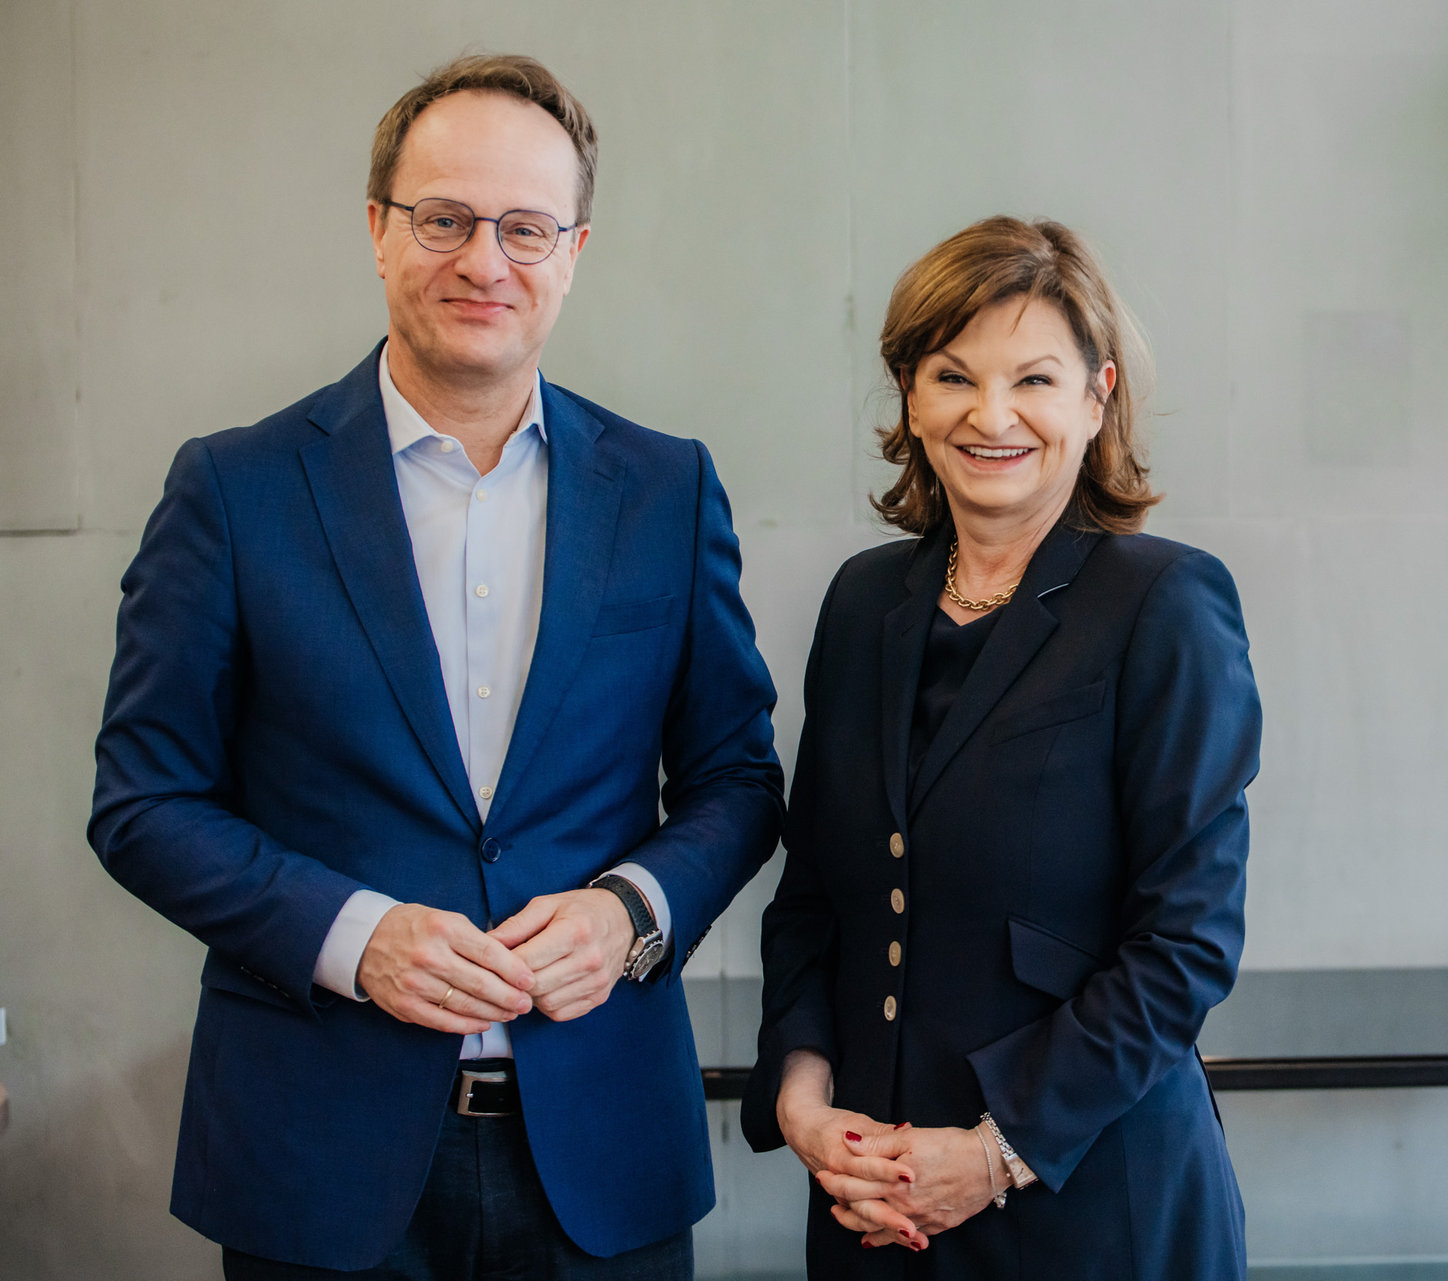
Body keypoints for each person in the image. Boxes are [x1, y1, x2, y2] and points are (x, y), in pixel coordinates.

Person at [88, 55, 782, 1280]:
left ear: (573, 249)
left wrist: (631, 912)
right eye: (445, 218)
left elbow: (736, 779)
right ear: (377, 230)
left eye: (525, 227)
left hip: (605, 1153)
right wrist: (353, 936)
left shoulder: (668, 490)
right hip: (320, 1158)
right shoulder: (234, 489)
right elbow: (143, 803)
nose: (484, 261)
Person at [742, 217, 1262, 1278]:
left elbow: (1186, 944)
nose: (991, 416)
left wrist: (994, 1153)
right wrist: (803, 1103)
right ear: (910, 396)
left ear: (1096, 394)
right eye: (951, 376)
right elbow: (817, 898)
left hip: (1088, 1201)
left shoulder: (1164, 603)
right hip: (876, 1203)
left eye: (1034, 379)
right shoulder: (862, 603)